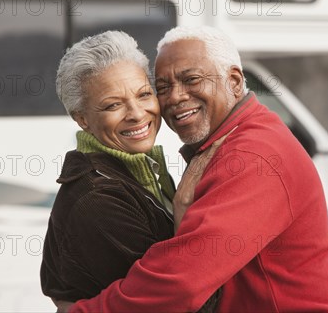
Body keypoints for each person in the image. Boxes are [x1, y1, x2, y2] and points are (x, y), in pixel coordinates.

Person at [65, 26, 328, 312]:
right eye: (162, 87)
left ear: (235, 82)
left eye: (191, 79)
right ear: (82, 119)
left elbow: (182, 282)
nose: (175, 97)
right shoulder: (233, 140)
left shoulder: (253, 155)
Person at [40, 30, 219, 311]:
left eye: (144, 94)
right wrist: (184, 212)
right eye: (113, 105)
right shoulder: (97, 198)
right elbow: (181, 299)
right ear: (82, 119)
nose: (136, 113)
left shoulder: (140, 171)